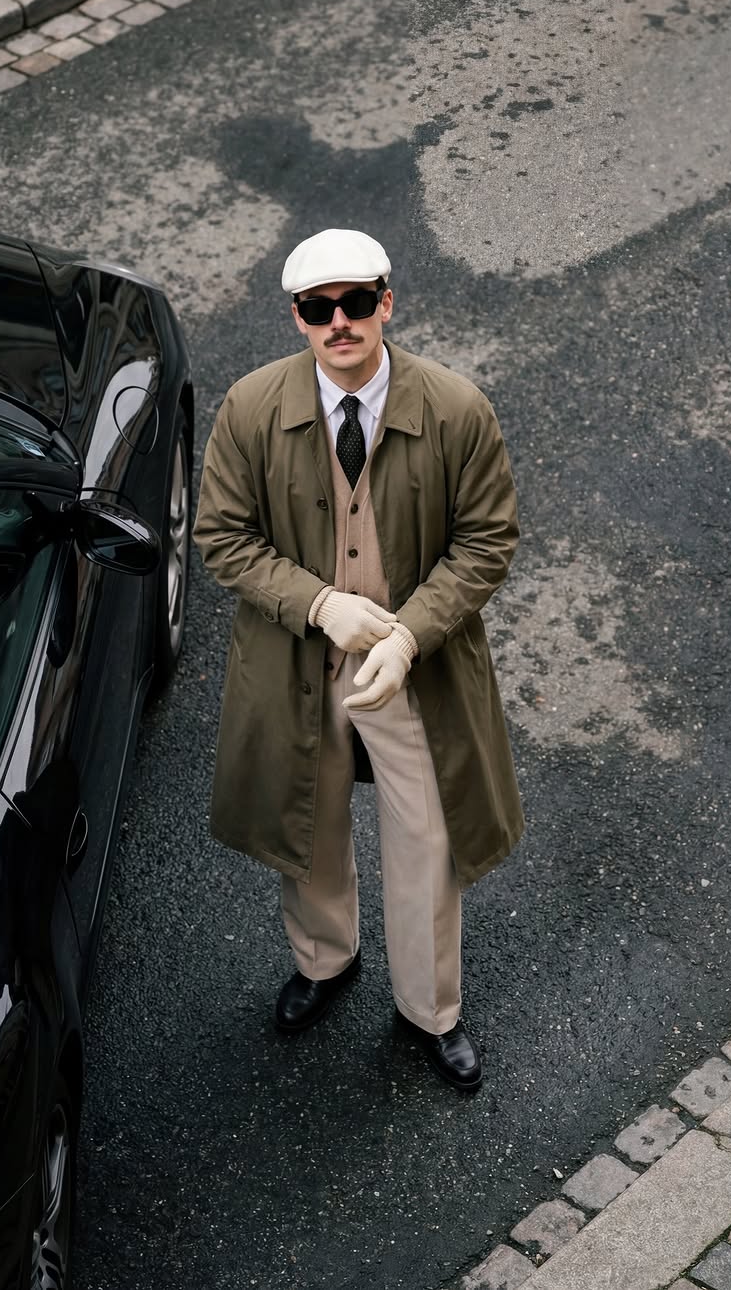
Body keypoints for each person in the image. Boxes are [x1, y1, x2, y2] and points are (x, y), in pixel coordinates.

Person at [193, 228, 523, 1092]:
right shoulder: (249, 408)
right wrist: (319, 605)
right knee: (309, 823)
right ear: (297, 318)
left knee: (429, 838)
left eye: (355, 302)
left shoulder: (457, 409)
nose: (338, 322)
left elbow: (487, 542)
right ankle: (324, 961)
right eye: (318, 308)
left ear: (387, 303)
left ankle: (431, 1011)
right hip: (297, 660)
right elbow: (221, 537)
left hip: (419, 665)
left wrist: (409, 635)